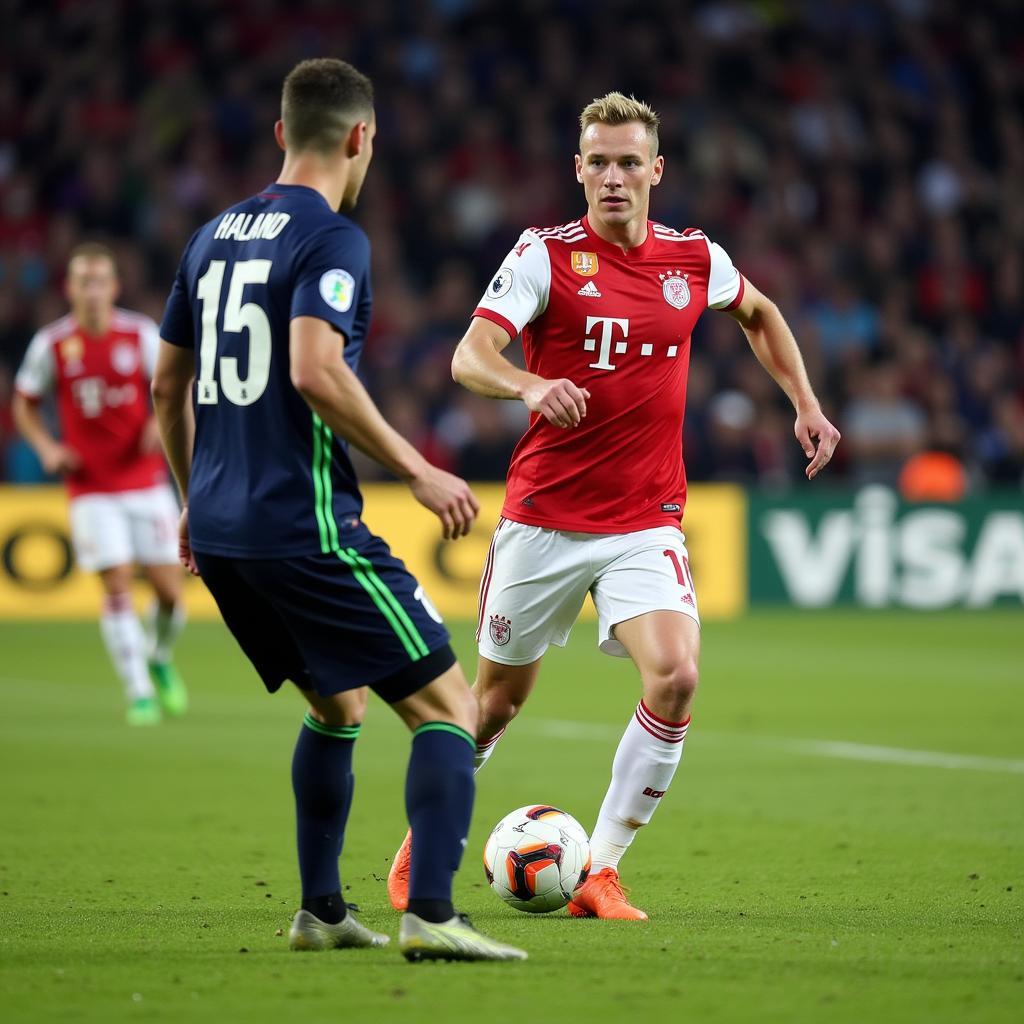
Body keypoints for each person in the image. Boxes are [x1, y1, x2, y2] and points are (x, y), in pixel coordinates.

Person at [388, 93, 841, 919]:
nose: (613, 177)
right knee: (494, 705)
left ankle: (598, 869)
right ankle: (422, 847)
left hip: (644, 519)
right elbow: (468, 356)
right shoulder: (545, 257)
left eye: (629, 162)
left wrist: (804, 403)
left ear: (656, 171)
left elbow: (760, 313)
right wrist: (529, 381)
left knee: (677, 677)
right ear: (578, 170)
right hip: (543, 519)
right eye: (597, 162)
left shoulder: (693, 258)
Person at [151, 58, 525, 962]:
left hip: (228, 528)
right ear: (362, 138)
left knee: (338, 706)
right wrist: (417, 468)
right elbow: (316, 369)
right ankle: (432, 911)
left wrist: (192, 499)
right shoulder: (332, 239)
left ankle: (322, 912)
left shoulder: (208, 238)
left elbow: (167, 384)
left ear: (282, 134)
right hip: (302, 524)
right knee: (451, 706)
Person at [13, 243, 189, 726]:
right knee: (115, 586)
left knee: (170, 592)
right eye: (82, 282)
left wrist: (159, 422)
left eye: (100, 281)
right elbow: (24, 403)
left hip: (145, 481)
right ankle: (138, 693)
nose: (92, 291)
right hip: (90, 487)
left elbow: (174, 384)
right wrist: (48, 448)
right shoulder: (52, 344)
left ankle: (158, 656)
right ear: (69, 289)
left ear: (115, 287)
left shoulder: (139, 334)